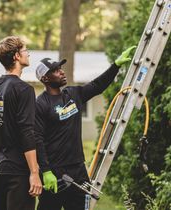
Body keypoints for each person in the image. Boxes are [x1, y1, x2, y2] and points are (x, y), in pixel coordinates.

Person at [35, 47, 135, 210]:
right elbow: (37, 138)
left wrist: (115, 65)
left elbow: (97, 85)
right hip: (55, 174)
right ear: (45, 78)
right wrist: (46, 172)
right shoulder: (41, 104)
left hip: (78, 170)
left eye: (60, 68)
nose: (61, 72)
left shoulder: (73, 94)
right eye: (56, 70)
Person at [0, 36, 42, 210]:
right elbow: (26, 131)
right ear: (16, 56)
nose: (28, 54)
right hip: (18, 172)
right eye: (25, 51)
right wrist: (34, 172)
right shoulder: (24, 90)